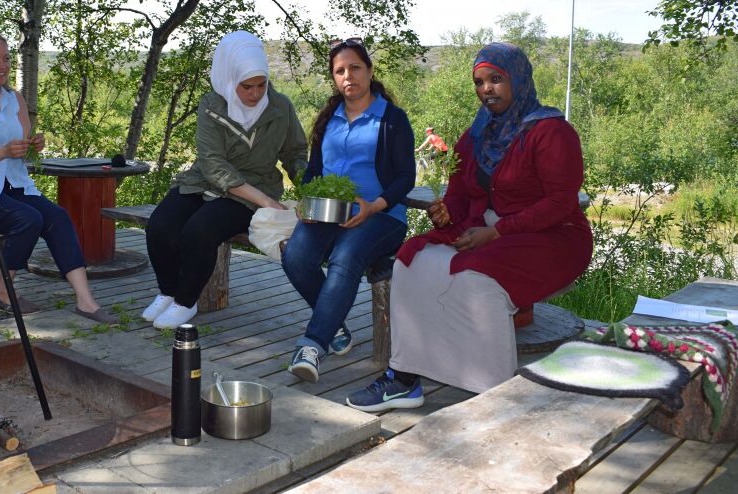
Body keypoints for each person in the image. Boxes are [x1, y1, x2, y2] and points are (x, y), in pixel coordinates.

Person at [346, 42, 593, 411]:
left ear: (518, 80)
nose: (486, 89)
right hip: (487, 231)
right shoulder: (478, 134)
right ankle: (404, 379)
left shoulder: (552, 132)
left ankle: (493, 395)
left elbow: (559, 204)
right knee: (412, 262)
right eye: (479, 82)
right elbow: (461, 194)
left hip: (553, 237)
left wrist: (497, 232)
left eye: (496, 79)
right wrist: (447, 212)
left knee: (475, 278)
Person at [0, 30, 117, 324]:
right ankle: (3, 292)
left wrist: (32, 145)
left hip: (10, 186)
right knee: (28, 219)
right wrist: (5, 151)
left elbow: (21, 149)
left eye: (6, 59)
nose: (2, 66)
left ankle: (86, 302)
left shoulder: (14, 99)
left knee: (57, 217)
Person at [142, 31, 308, 329]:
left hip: (254, 186)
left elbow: (295, 153)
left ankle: (185, 302)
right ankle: (168, 292)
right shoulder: (211, 104)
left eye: (262, 85)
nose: (256, 93)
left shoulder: (280, 107)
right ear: (230, 79)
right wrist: (266, 202)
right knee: (160, 225)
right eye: (247, 86)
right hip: (205, 180)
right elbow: (212, 162)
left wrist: (308, 187)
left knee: (199, 230)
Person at [282, 37, 416, 383]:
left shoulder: (391, 119)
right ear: (334, 78)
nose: (348, 76)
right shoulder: (329, 119)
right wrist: (307, 201)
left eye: (355, 67)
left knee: (346, 255)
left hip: (383, 216)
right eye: (340, 71)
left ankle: (312, 345)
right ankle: (333, 322)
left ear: (370, 71)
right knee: (295, 255)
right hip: (329, 212)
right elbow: (313, 171)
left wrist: (374, 207)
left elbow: (405, 177)